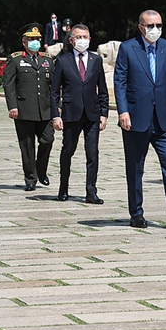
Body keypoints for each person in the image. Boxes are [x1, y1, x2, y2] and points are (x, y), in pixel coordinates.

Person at [113, 9, 166, 229]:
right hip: (136, 119)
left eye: (158, 25)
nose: (155, 29)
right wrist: (123, 111)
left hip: (163, 119)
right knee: (135, 168)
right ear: (141, 27)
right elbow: (120, 82)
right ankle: (136, 213)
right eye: (150, 26)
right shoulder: (128, 48)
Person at [51, 24, 109, 203]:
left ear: (90, 39)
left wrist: (104, 113)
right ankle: (63, 187)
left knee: (92, 153)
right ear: (71, 40)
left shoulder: (96, 60)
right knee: (68, 150)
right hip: (71, 113)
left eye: (85, 37)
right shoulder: (63, 60)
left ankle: (91, 191)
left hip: (92, 114)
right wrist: (56, 115)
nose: (82, 40)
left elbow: (103, 89)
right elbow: (54, 92)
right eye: (78, 37)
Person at [3, 23, 55, 191]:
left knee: (48, 140)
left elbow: (54, 85)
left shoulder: (47, 60)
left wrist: (57, 106)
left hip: (45, 109)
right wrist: (12, 106)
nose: (35, 42)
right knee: (27, 146)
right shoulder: (16, 59)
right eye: (31, 39)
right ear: (24, 42)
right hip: (24, 109)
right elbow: (8, 85)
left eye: (37, 39)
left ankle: (41, 170)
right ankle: (30, 178)